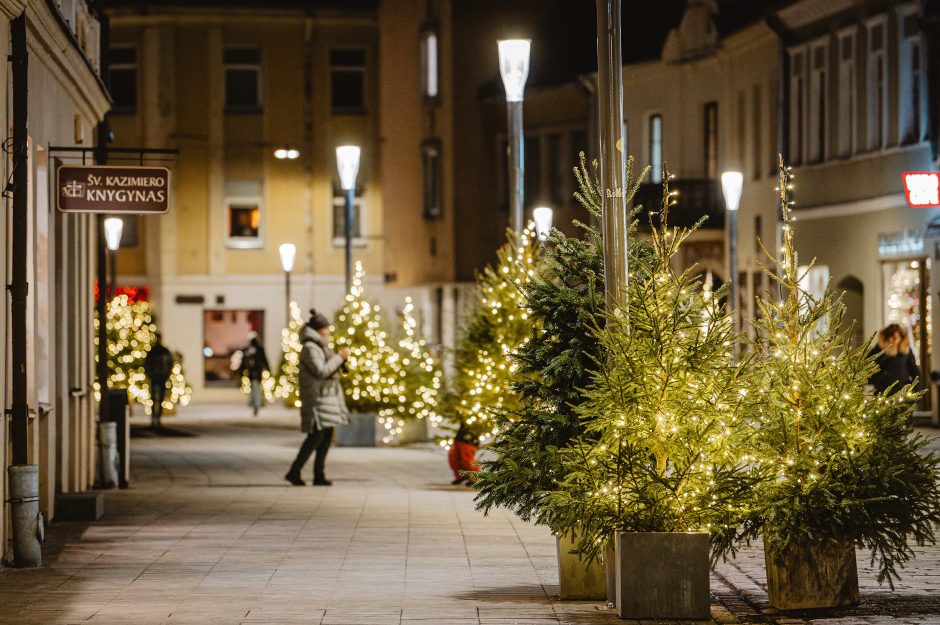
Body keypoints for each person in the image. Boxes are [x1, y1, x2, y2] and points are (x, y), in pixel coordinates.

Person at [285, 309, 350, 486]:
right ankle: (294, 471)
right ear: (319, 329)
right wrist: (338, 358)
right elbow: (321, 371)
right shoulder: (310, 347)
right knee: (315, 436)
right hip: (316, 398)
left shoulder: (320, 345)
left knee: (326, 435)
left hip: (326, 398)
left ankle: (318, 474)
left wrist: (339, 360)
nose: (329, 330)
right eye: (326, 328)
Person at [868, 323, 920, 395]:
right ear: (887, 337)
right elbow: (869, 369)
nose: (895, 339)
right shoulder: (879, 350)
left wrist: (914, 391)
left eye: (898, 336)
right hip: (882, 393)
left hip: (902, 393)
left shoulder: (905, 350)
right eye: (892, 336)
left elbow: (915, 372)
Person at [144, 333, 175, 428]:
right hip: (156, 377)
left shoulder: (163, 351)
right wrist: (150, 374)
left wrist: (167, 374)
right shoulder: (154, 351)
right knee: (154, 399)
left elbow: (170, 363)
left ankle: (158, 418)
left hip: (161, 377)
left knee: (160, 399)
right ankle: (154, 418)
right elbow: (147, 364)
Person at [240, 332, 270, 416]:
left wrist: (241, 372)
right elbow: (264, 360)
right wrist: (268, 369)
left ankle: (255, 404)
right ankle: (255, 404)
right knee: (255, 389)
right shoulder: (254, 349)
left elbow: (243, 363)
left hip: (254, 373)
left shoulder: (251, 350)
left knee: (255, 389)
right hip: (254, 373)